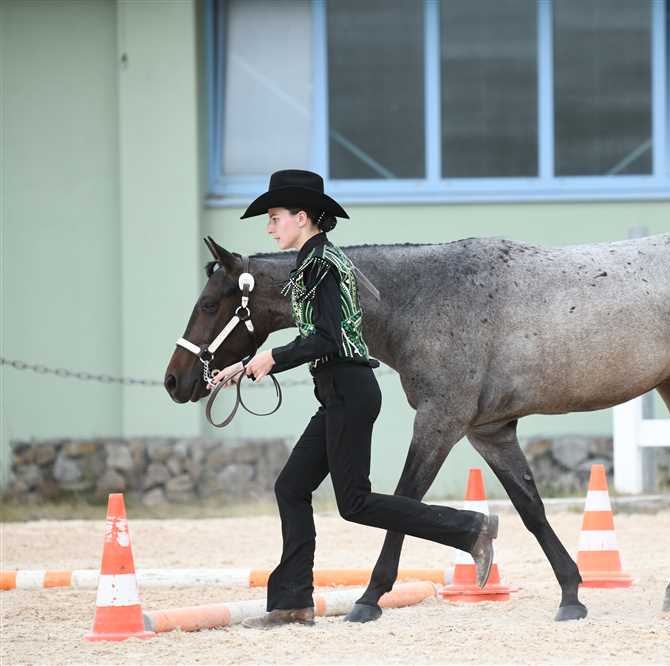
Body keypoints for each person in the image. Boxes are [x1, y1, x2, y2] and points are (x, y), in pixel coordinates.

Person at [209, 169, 497, 628]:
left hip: (348, 389)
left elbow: (325, 337)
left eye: (275, 217)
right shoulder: (316, 260)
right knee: (291, 488)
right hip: (338, 391)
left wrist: (272, 358)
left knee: (355, 502)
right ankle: (292, 603)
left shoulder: (320, 265)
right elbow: (323, 333)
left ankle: (470, 528)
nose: (269, 228)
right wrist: (244, 365)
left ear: (302, 217)